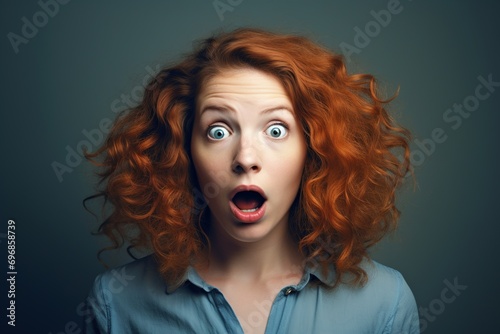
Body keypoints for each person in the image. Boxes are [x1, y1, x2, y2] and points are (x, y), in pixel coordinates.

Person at [83, 27, 420, 333]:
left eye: (276, 130)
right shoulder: (118, 305)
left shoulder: (383, 304)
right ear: (184, 150)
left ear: (313, 151)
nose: (245, 158)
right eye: (218, 131)